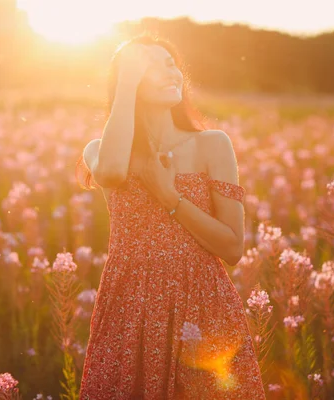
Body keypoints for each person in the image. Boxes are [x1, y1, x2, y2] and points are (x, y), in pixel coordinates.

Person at [75, 34, 266, 400]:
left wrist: (170, 197)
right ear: (128, 80)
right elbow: (113, 172)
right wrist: (127, 78)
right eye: (153, 65)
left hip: (201, 302)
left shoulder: (213, 144)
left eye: (172, 63)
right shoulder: (101, 149)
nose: (171, 72)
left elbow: (232, 246)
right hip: (130, 306)